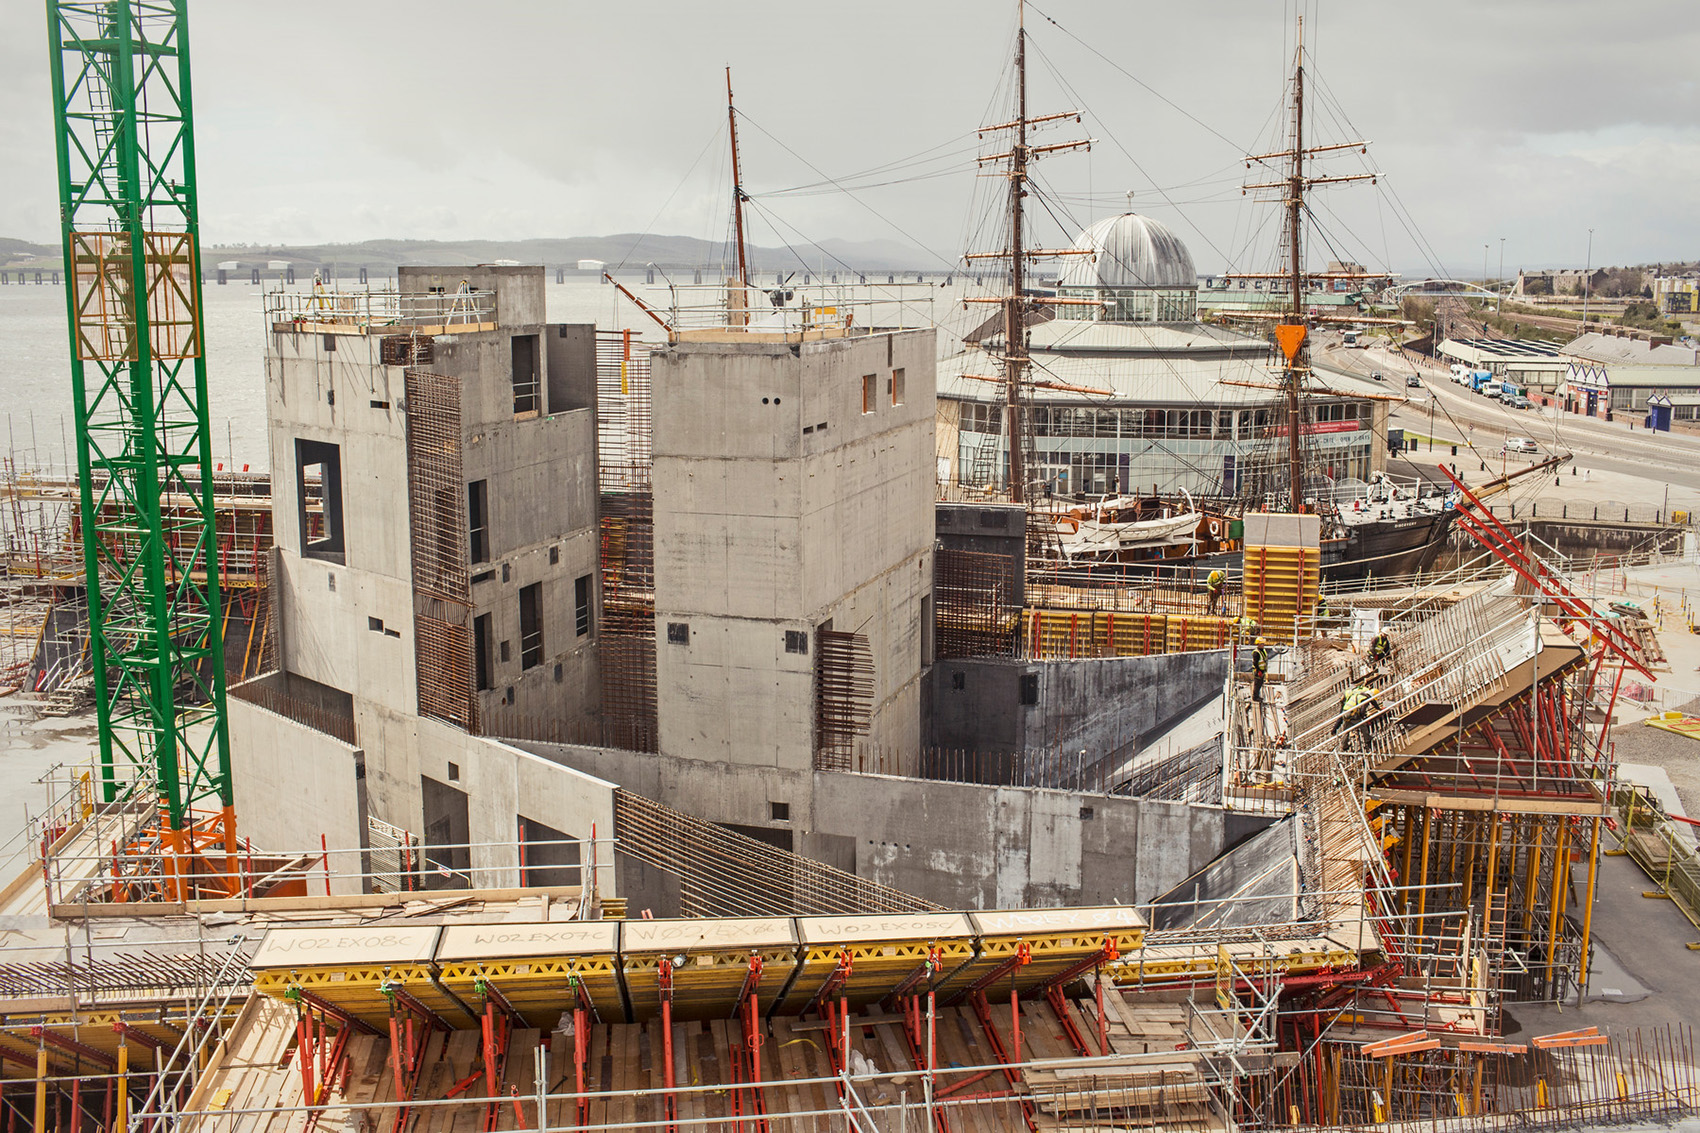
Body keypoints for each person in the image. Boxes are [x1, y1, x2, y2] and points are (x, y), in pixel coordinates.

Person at [1251, 637, 1270, 703]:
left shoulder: (1263, 650)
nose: (1263, 645)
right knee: (1257, 683)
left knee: (1260, 683)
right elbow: (1255, 663)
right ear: (1258, 644)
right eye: (1262, 643)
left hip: (1262, 670)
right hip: (1258, 670)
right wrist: (1258, 671)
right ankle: (1255, 697)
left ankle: (1257, 696)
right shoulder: (1256, 653)